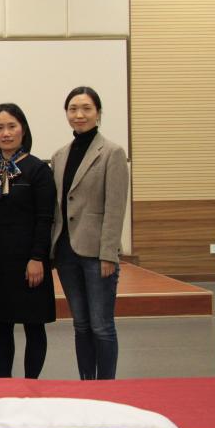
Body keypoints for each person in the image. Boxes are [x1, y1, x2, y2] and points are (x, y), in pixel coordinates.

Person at [0, 103, 56, 379]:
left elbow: (45, 218)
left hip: (29, 260)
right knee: (1, 324)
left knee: (33, 324)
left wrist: (37, 257)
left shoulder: (38, 170)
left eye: (11, 126)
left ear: (23, 130)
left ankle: (31, 385)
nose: (5, 133)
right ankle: (4, 384)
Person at [51, 86, 129, 380]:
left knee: (101, 326)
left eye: (86, 108)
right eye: (73, 109)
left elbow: (115, 207)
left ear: (98, 113)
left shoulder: (112, 152)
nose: (79, 114)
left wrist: (109, 253)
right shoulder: (60, 155)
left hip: (97, 254)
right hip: (66, 253)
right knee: (80, 325)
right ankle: (86, 383)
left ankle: (106, 386)